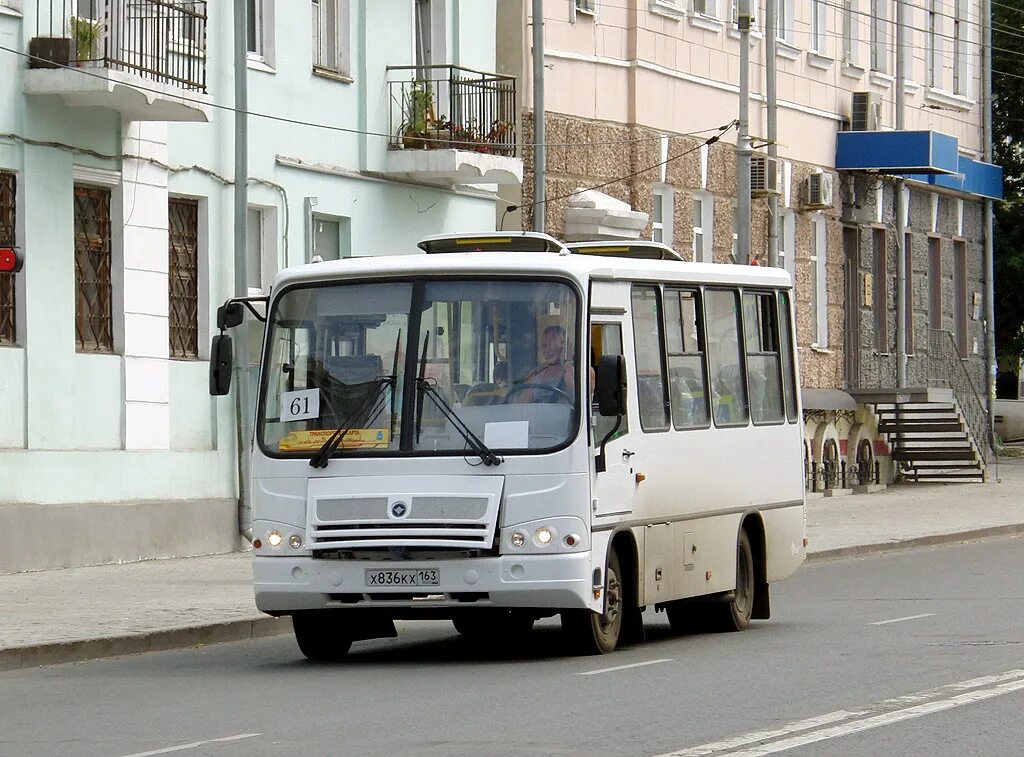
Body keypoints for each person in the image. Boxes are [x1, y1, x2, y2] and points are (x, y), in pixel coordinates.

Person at [515, 325, 575, 403]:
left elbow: (576, 390)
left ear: (564, 346)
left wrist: (567, 360)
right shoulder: (538, 372)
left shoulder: (577, 370)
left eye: (553, 345)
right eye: (544, 346)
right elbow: (523, 402)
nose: (548, 350)